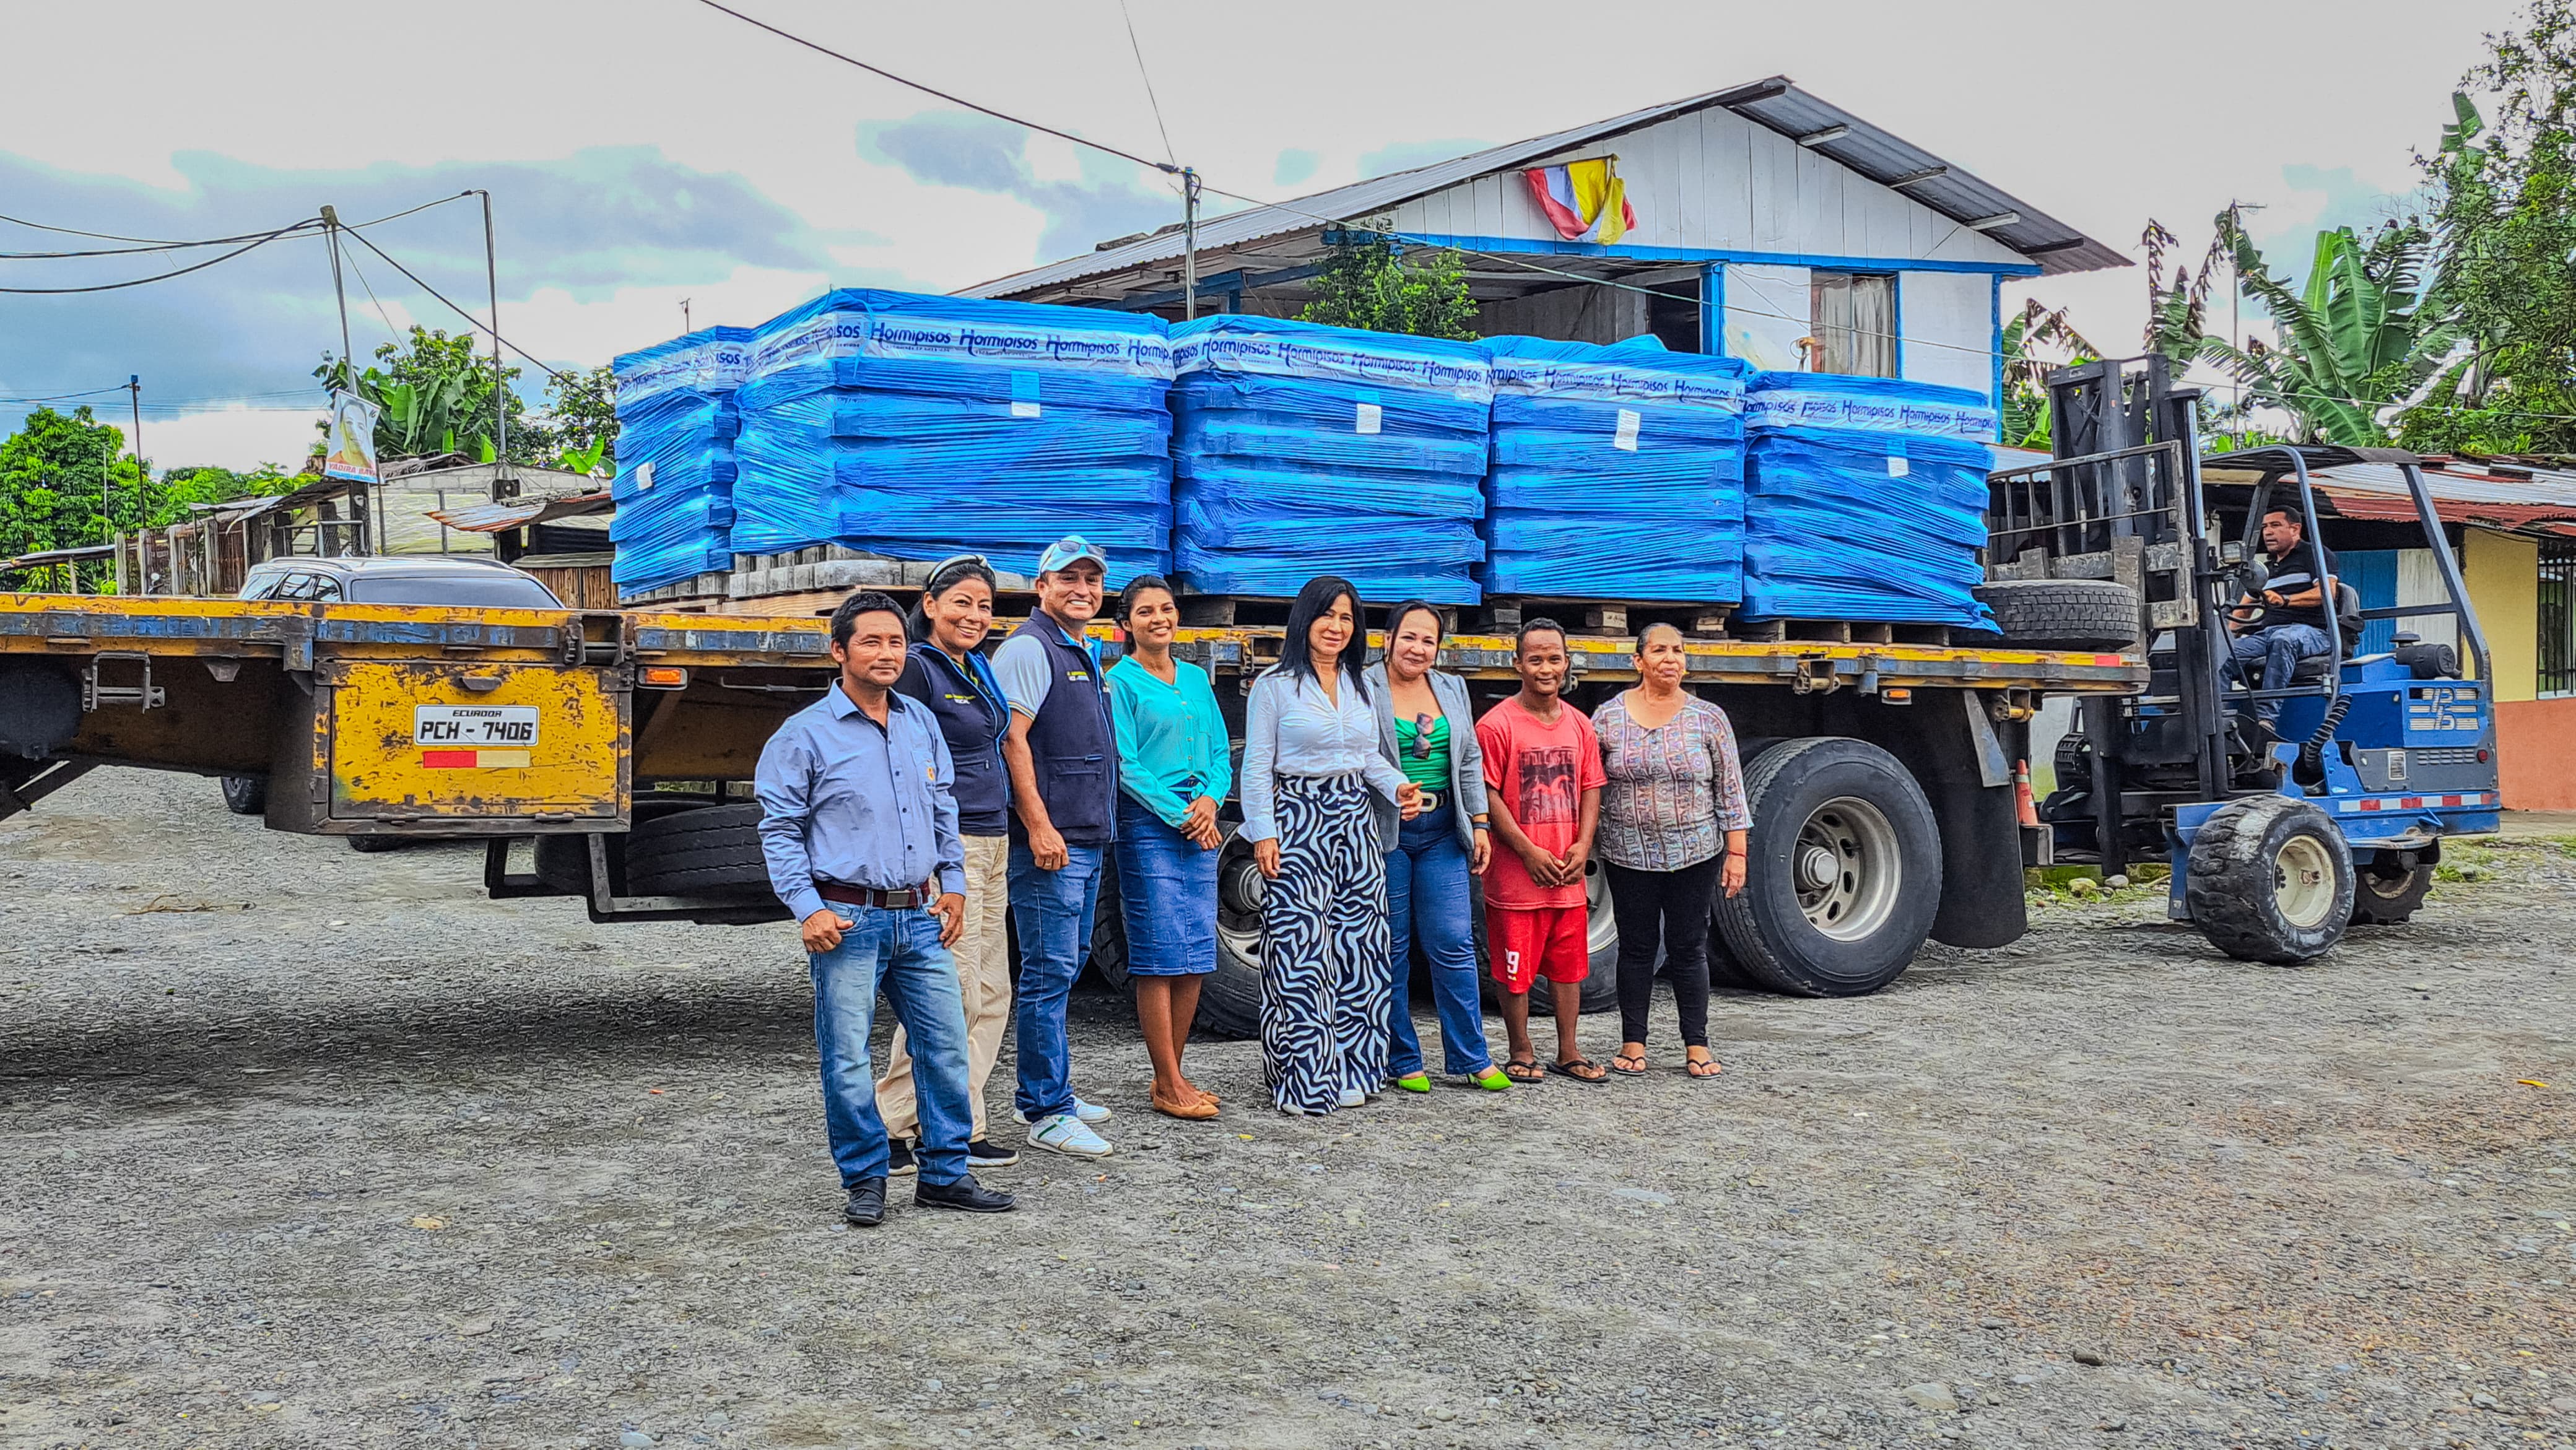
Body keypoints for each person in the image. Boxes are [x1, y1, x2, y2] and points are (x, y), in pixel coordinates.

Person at [754, 590, 1016, 1226]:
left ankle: (945, 1173)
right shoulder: (804, 734)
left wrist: (953, 884)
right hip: (848, 920)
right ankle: (865, 1178)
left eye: (896, 641)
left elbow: (943, 806)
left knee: (946, 1047)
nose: (886, 653)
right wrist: (807, 908)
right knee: (847, 1059)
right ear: (838, 651)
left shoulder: (919, 721)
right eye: (870, 641)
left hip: (920, 916)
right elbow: (780, 829)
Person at [1240, 576, 1422, 1115]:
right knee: (1301, 952)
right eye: (1327, 615)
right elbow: (1257, 765)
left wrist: (1399, 787)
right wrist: (1263, 832)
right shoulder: (1275, 685)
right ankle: (1304, 1079)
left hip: (1355, 819)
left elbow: (1368, 758)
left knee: (1359, 948)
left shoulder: (1360, 684)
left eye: (1346, 618)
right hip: (1298, 817)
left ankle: (1353, 1068)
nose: (1336, 627)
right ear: (1305, 619)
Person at [875, 555, 1018, 1174]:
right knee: (947, 995)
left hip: (993, 836)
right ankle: (891, 1123)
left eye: (984, 605)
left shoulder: (975, 667)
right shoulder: (916, 668)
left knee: (990, 993)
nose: (975, 615)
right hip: (949, 846)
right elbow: (895, 760)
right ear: (930, 605)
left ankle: (961, 1123)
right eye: (962, 601)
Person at [994, 537, 1121, 1158]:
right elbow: (1011, 740)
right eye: (1068, 578)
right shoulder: (1028, 647)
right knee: (1047, 973)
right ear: (1041, 586)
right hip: (1054, 841)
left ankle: (1056, 1092)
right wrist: (1039, 825)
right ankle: (1045, 1110)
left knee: (1066, 965)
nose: (1082, 589)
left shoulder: (1077, 648)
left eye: (1091, 579)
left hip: (1084, 836)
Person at [1591, 622, 1750, 1080]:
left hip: (1696, 853)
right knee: (1636, 947)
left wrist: (1737, 852)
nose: (1671, 659)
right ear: (1637, 661)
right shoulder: (1608, 717)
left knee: (1688, 946)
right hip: (1627, 853)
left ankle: (1696, 1044)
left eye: (1678, 651)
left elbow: (1731, 788)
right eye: (1660, 650)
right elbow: (1590, 784)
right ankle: (1633, 1042)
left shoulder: (1708, 718)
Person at [1364, 601, 1508, 1093]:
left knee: (1453, 941)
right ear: (1388, 639)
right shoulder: (1362, 685)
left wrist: (1480, 823)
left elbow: (1469, 760)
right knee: (1392, 947)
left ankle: (1471, 1055)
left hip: (1444, 829)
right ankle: (1401, 1058)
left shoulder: (1451, 687)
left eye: (1428, 640)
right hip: (1386, 833)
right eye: (1409, 637)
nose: (1418, 648)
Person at [1107, 575, 1232, 1121]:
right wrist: (1182, 815)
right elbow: (1125, 765)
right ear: (1126, 624)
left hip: (1201, 820)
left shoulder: (1197, 679)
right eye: (1145, 612)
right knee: (1159, 953)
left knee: (1196, 952)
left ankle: (1171, 1076)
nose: (1159, 619)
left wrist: (1211, 801)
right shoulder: (1120, 682)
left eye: (1166, 609)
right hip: (1151, 823)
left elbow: (1222, 752)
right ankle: (1168, 1078)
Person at [1476, 619, 1607, 1085]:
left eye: (1554, 659)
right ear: (1517, 664)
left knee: (1569, 968)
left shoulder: (1580, 725)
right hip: (1516, 878)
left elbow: (1591, 787)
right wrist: (1528, 851)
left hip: (1566, 875)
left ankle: (1568, 1051)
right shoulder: (1496, 726)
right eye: (1535, 660)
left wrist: (1583, 845)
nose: (1546, 668)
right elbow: (1487, 793)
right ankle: (1521, 1049)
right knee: (1514, 969)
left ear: (1567, 663)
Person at [2227, 506, 2341, 731]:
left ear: (2295, 529)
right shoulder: (2265, 570)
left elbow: (2327, 593)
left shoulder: (2315, 555)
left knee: (2283, 639)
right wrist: (2224, 637)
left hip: (2313, 631)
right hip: (2269, 633)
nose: (2268, 532)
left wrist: (2285, 600)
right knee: (2223, 655)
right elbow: (2242, 612)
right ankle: (2220, 717)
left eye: (2275, 526)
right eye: (2265, 527)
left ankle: (2266, 719)